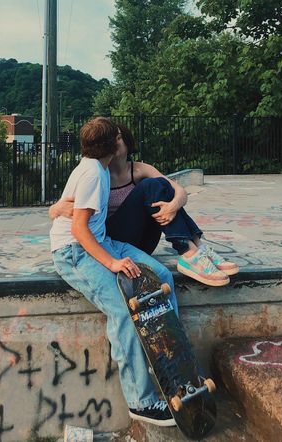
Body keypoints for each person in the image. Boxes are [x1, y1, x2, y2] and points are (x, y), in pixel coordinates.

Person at [50, 117, 178, 427]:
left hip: (103, 240)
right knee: (123, 310)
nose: (122, 139)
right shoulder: (93, 174)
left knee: (162, 276)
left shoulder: (100, 167)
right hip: (75, 252)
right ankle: (142, 401)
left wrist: (56, 209)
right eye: (118, 136)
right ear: (111, 145)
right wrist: (112, 263)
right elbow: (79, 230)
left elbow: (65, 209)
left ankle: (174, 362)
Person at [50, 122, 239, 287]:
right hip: (111, 240)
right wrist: (57, 208)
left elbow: (178, 191)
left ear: (127, 143)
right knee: (150, 186)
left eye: (119, 138)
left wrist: (172, 207)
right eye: (112, 138)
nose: (115, 141)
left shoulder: (139, 169)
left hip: (139, 240)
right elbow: (57, 208)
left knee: (158, 186)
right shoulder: (97, 172)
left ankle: (196, 249)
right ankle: (189, 251)